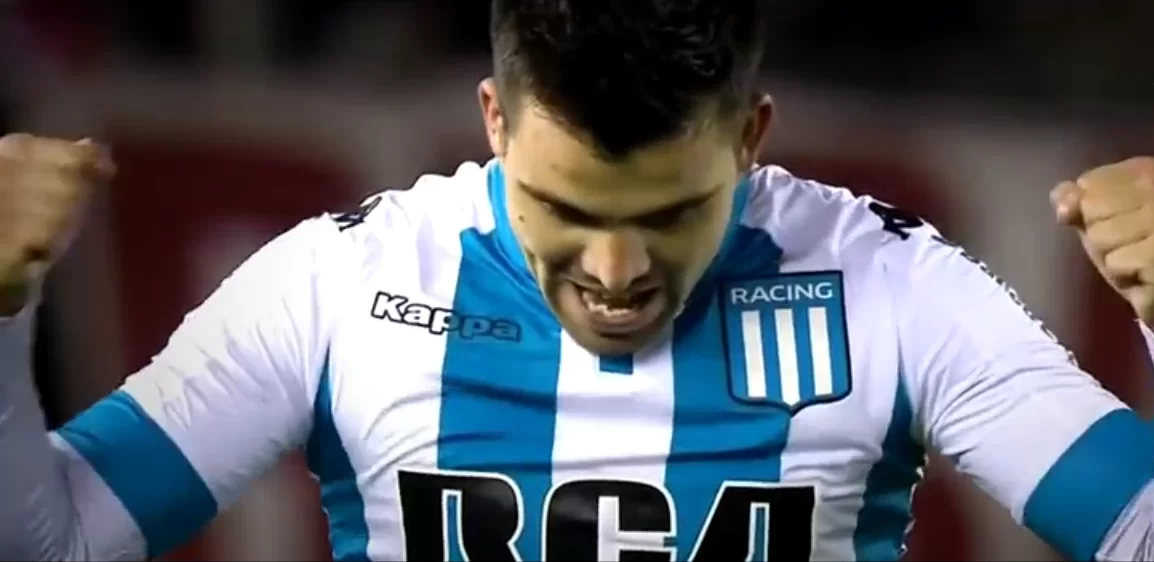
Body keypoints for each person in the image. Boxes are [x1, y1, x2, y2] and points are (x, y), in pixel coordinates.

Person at [3, 1, 1154, 560]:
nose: (615, 274)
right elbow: (54, 545)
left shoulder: (895, 288)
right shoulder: (335, 283)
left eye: (669, 214)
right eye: (562, 209)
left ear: (750, 137)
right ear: (492, 123)